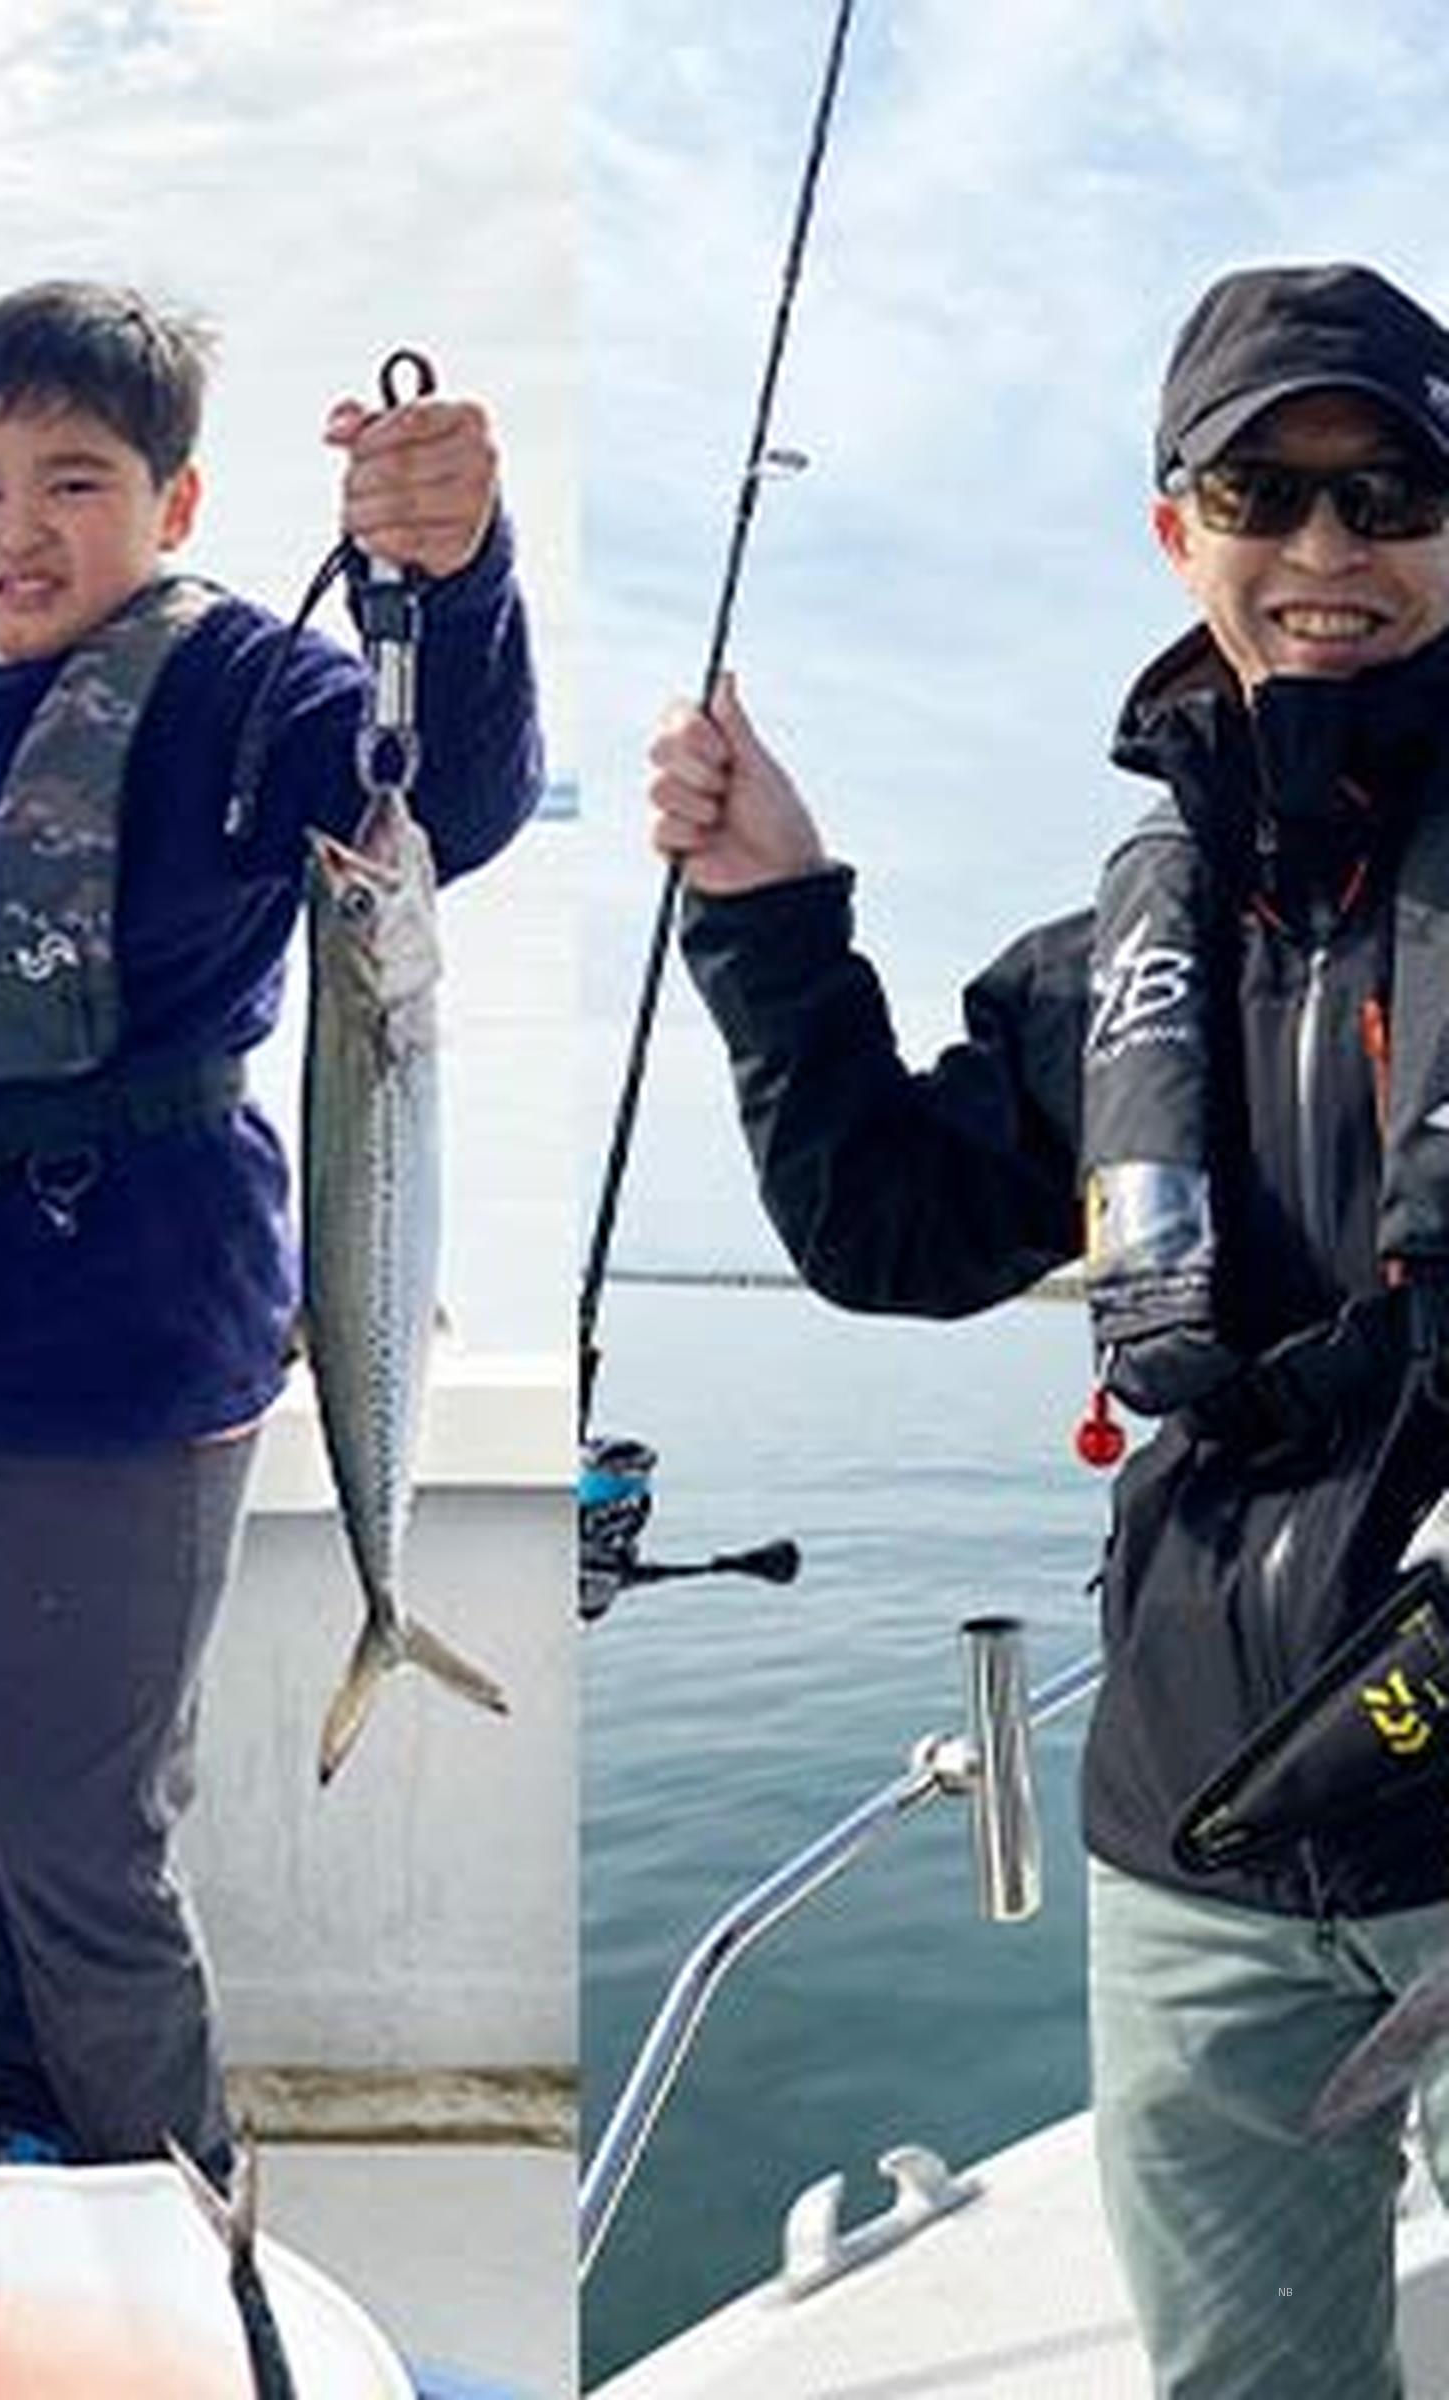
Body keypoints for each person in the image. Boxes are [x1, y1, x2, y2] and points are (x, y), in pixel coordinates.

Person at [644, 261, 1449, 2400]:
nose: (1325, 554)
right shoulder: (1116, 959)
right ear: (1175, 530)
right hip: (1196, 1829)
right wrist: (770, 918)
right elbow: (887, 1233)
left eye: (1391, 495)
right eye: (1261, 494)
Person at [0, 281, 541, 2189]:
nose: (19, 528)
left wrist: (454, 579)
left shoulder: (248, 692)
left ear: (176, 505)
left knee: (86, 1848)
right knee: (10, 1823)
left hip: (117, 1365)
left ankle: (180, 2224)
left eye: (74, 480)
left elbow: (450, 800)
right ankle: (29, 2119)